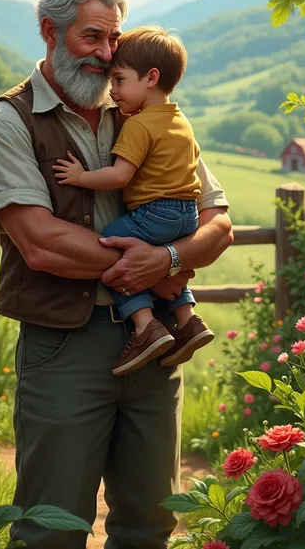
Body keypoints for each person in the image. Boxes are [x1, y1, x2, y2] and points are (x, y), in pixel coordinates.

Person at [0, 0, 233, 549]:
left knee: (150, 524)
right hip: (66, 343)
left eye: (113, 40)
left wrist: (165, 258)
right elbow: (43, 243)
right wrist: (156, 266)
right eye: (92, 37)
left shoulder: (141, 108)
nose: (106, 54)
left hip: (157, 344)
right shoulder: (6, 124)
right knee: (51, 528)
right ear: (49, 31)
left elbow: (219, 223)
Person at [52, 25, 214, 377]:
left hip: (156, 212)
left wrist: (80, 177)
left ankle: (145, 327)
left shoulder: (139, 126)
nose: (113, 90)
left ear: (150, 78)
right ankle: (187, 320)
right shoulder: (180, 120)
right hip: (187, 215)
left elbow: (119, 176)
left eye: (120, 80)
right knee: (152, 251)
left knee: (115, 248)